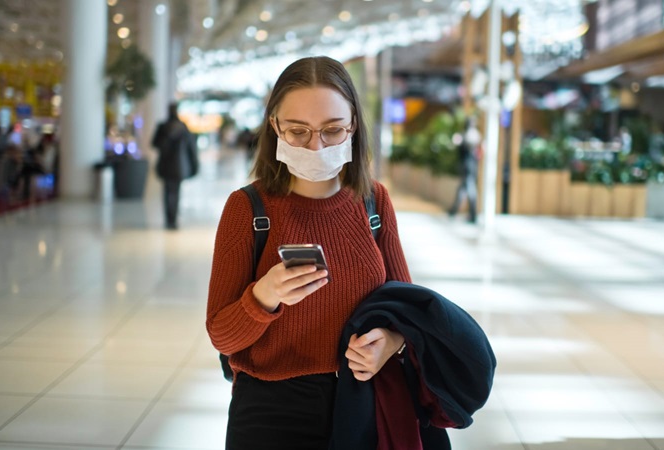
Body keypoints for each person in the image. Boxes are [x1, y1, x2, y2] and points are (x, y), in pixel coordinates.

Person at [206, 56, 411, 449]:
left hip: (362, 400)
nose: (316, 145)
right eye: (298, 131)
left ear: (353, 127)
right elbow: (221, 334)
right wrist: (264, 296)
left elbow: (406, 306)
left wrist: (391, 340)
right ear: (274, 127)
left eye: (333, 131)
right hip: (271, 409)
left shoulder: (373, 202)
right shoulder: (248, 209)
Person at [152, 103, 199, 230]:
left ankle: (169, 219)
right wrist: (195, 164)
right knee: (176, 192)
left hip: (166, 165)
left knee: (167, 192)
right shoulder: (183, 128)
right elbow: (192, 149)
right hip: (180, 165)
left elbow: (155, 144)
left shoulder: (163, 127)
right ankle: (173, 219)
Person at [448, 117, 480, 223]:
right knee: (463, 189)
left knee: (469, 189)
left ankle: (472, 214)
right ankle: (455, 210)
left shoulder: (469, 135)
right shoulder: (472, 135)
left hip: (468, 165)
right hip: (470, 165)